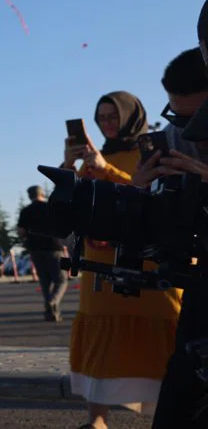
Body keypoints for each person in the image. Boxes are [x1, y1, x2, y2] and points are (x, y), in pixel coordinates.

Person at [63, 91, 181, 427]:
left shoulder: (150, 152)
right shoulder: (94, 158)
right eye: (100, 118)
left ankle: (167, 415)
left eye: (113, 116)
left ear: (130, 115)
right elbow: (67, 204)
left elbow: (149, 196)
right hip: (99, 261)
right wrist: (70, 165)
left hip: (147, 261)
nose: (106, 124)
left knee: (163, 340)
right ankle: (96, 419)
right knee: (102, 339)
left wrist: (105, 168)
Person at [149, 44, 208, 427]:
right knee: (179, 394)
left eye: (198, 120)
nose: (189, 134)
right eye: (178, 117)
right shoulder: (173, 136)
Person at [17, 185, 68, 322]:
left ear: (30, 196)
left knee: (45, 282)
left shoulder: (26, 211)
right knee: (61, 280)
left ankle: (50, 312)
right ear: (42, 193)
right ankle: (53, 301)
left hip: (35, 249)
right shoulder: (50, 207)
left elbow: (21, 231)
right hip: (53, 247)